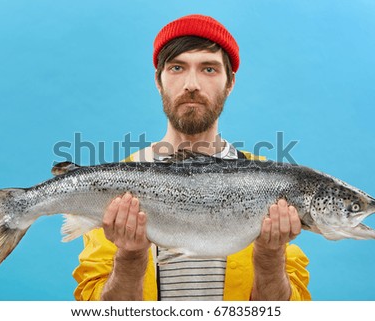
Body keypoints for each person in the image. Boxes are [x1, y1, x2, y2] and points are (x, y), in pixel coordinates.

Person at [73, 14, 311, 301]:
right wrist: (130, 259)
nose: (192, 84)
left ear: (230, 82)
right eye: (177, 67)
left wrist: (270, 259)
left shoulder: (271, 183)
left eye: (209, 69)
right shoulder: (114, 184)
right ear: (158, 80)